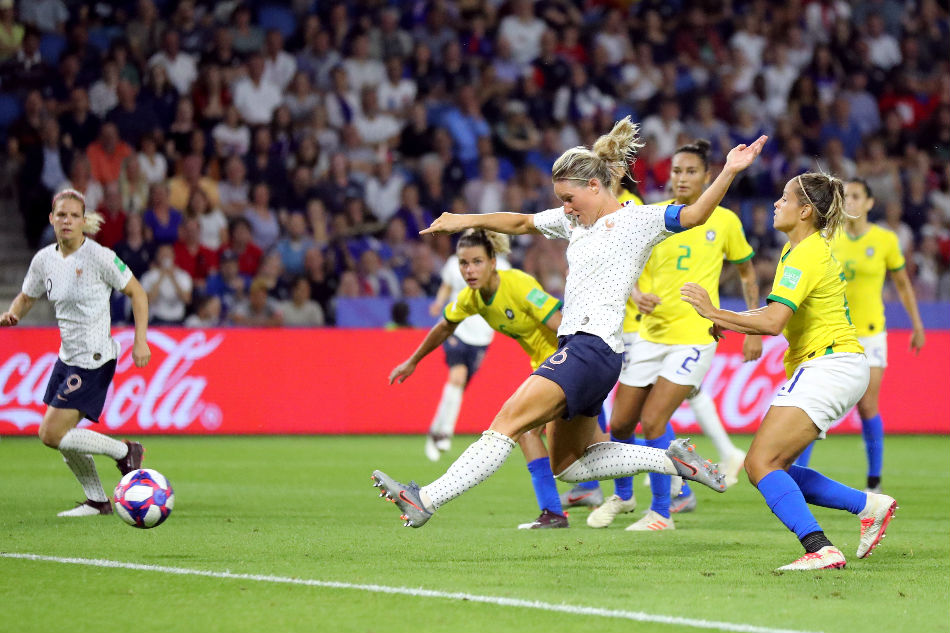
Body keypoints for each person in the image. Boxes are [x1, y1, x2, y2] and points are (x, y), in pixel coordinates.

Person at [371, 117, 767, 529]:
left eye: (569, 197)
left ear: (594, 186)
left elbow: (698, 214)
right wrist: (463, 219)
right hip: (595, 354)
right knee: (569, 465)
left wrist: (730, 170)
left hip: (589, 348)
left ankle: (426, 499)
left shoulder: (637, 220)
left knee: (508, 421)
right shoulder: (575, 223)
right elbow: (522, 222)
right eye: (561, 199)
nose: (565, 207)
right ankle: (670, 459)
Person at [681, 173, 898, 570]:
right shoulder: (798, 250)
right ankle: (869, 505)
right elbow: (773, 312)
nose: (776, 204)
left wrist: (714, 312)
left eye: (784, 198)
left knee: (760, 463)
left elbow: (773, 323)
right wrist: (729, 320)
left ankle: (820, 547)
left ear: (805, 211)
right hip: (835, 364)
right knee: (772, 465)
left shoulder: (805, 254)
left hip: (829, 364)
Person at [588, 139, 762, 531]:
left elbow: (748, 273)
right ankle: (624, 494)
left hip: (693, 337)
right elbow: (627, 261)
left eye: (691, 171)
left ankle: (662, 512)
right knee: (619, 425)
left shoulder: (725, 221)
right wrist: (636, 292)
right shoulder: (656, 215)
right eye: (677, 171)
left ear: (706, 175)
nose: (682, 178)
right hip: (650, 333)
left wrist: (749, 326)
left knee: (653, 422)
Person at [391, 229, 570, 529]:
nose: (469, 270)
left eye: (476, 262)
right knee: (566, 450)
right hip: (549, 368)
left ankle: (660, 472)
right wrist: (413, 360)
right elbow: (445, 327)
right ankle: (555, 511)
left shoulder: (519, 285)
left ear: (493, 263)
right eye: (463, 263)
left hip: (565, 365)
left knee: (550, 444)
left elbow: (563, 327)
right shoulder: (472, 298)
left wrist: (583, 368)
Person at [0, 189, 151, 517]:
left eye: (74, 215)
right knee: (63, 437)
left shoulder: (99, 257)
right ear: (52, 219)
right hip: (67, 357)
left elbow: (137, 292)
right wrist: (14, 313)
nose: (67, 221)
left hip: (94, 358)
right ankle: (97, 500)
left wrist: (140, 340)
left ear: (84, 221)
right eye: (61, 215)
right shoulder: (44, 260)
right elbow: (27, 296)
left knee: (51, 434)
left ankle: (125, 450)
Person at [795, 179, 925, 492]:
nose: (849, 202)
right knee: (818, 404)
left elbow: (903, 284)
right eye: (845, 197)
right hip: (833, 332)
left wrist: (917, 324)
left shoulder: (885, 240)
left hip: (870, 335)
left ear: (869, 203)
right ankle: (797, 473)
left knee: (867, 407)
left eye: (856, 196)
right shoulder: (828, 237)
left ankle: (874, 480)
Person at [422, 236, 511, 462]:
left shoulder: (501, 266)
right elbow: (447, 285)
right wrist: (438, 303)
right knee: (457, 378)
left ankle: (435, 430)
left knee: (460, 386)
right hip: (456, 327)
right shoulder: (455, 262)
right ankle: (444, 433)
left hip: (482, 335)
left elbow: (509, 294)